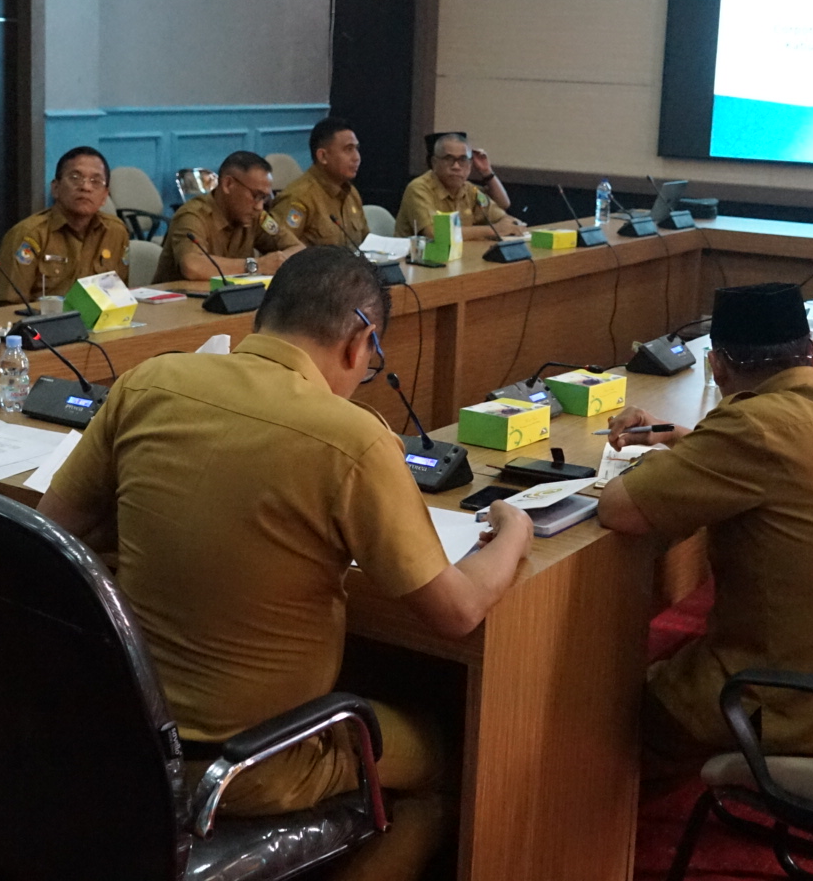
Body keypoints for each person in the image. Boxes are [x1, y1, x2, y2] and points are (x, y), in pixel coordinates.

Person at [38, 246, 534, 881]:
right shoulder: (352, 438)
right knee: (452, 766)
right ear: (359, 343)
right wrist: (514, 531)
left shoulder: (148, 382)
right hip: (251, 764)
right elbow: (458, 612)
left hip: (122, 733)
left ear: (264, 317)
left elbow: (50, 531)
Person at [596, 282, 813, 780]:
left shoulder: (755, 426)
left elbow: (619, 508)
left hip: (796, 699)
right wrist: (684, 439)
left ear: (717, 366)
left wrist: (674, 458)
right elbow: (769, 455)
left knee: (602, 714)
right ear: (810, 354)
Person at [0, 146, 130, 303]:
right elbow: (8, 306)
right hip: (44, 318)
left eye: (95, 181)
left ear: (105, 196)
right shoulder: (29, 234)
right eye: (75, 177)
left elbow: (118, 299)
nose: (85, 187)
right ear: (56, 188)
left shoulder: (116, 232)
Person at [152, 151, 302, 283]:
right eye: (256, 196)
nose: (259, 206)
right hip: (178, 303)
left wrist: (278, 260)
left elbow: (298, 249)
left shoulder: (256, 216)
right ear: (228, 184)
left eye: (264, 198)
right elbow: (192, 266)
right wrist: (256, 265)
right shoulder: (192, 215)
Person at [393, 132, 524, 241]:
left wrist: (486, 171)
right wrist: (494, 230)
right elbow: (434, 233)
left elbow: (502, 211)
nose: (456, 166)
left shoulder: (469, 189)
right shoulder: (419, 188)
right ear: (434, 162)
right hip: (415, 260)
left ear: (470, 165)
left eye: (463, 160)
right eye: (448, 159)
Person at [273, 117, 370, 248]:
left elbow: (366, 244)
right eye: (348, 149)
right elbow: (280, 251)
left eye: (356, 149)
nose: (357, 157)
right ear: (323, 156)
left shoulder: (351, 193)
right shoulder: (299, 198)